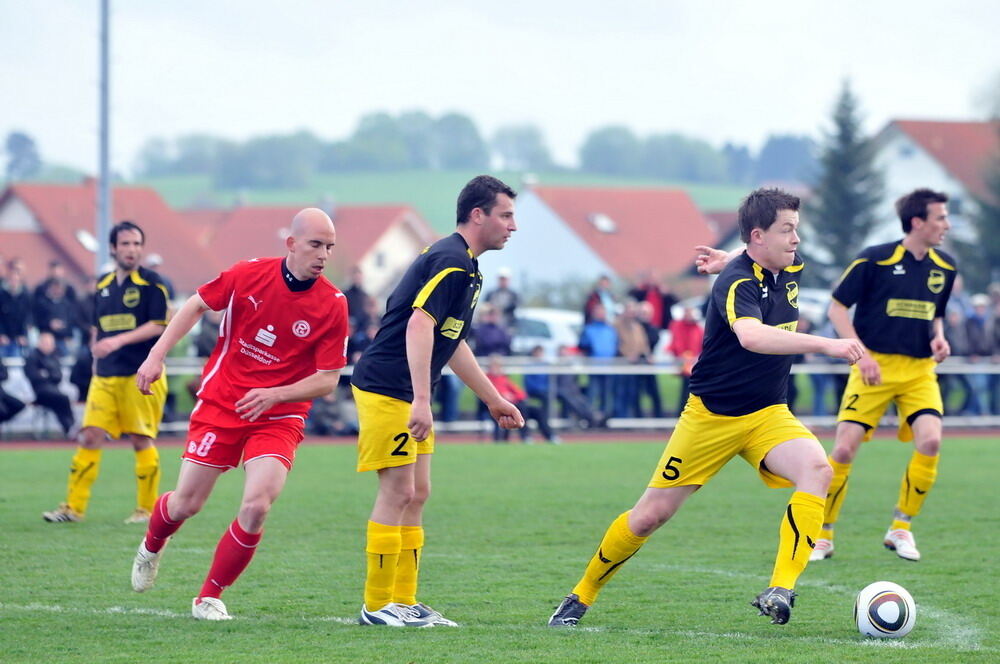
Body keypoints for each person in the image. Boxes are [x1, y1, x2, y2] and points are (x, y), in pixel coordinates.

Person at [547, 188, 864, 628]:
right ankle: (580, 596)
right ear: (759, 236)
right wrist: (827, 344)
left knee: (819, 471)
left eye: (796, 229)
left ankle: (780, 588)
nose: (796, 239)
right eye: (787, 230)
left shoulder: (787, 265)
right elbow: (752, 336)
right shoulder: (735, 281)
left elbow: (757, 250)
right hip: (710, 419)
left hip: (768, 414)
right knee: (648, 517)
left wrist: (732, 251)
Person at [128, 208, 349, 621]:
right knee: (186, 504)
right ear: (292, 243)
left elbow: (328, 379)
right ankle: (151, 546)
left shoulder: (332, 304)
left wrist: (276, 395)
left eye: (329, 247)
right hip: (222, 404)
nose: (323, 254)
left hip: (280, 415)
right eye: (316, 244)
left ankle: (209, 596)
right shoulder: (248, 274)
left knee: (257, 505)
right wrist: (155, 355)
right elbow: (195, 305)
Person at [350, 175, 525, 628]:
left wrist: (493, 399)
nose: (513, 225)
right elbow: (418, 326)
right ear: (478, 215)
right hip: (390, 387)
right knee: (398, 490)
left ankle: (403, 601)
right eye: (506, 215)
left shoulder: (468, 266)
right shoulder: (450, 260)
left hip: (407, 390)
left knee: (418, 493)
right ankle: (376, 605)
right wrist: (422, 399)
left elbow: (453, 341)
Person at [811, 188, 957, 563]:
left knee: (930, 443)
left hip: (919, 372)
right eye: (940, 217)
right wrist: (861, 356)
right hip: (872, 367)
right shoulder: (874, 259)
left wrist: (939, 338)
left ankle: (901, 529)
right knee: (843, 449)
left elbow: (934, 313)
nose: (947, 224)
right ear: (917, 222)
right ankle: (823, 535)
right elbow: (837, 309)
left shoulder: (946, 267)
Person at [42, 221, 170, 524]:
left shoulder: (153, 283)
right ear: (113, 248)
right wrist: (96, 355)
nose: (132, 249)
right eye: (125, 244)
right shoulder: (102, 285)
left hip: (141, 375)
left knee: (141, 439)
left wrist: (118, 340)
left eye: (137, 244)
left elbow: (158, 324)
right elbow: (96, 329)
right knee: (89, 436)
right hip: (105, 376)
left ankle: (147, 510)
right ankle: (73, 508)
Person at [486, 354, 557, 443]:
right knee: (522, 409)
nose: (496, 369)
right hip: (500, 406)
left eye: (498, 366)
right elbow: (490, 394)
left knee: (538, 411)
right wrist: (504, 396)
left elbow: (520, 394)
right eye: (494, 366)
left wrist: (513, 397)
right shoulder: (487, 380)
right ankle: (525, 436)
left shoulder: (504, 378)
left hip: (514, 403)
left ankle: (550, 436)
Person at [25, 331, 76, 437]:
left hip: (54, 390)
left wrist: (46, 374)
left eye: (51, 343)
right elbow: (34, 377)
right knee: (62, 398)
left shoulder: (54, 356)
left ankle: (70, 427)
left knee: (59, 399)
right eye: (47, 343)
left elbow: (58, 377)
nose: (50, 346)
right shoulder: (32, 357)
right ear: (40, 343)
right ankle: (70, 426)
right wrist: (48, 375)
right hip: (40, 393)